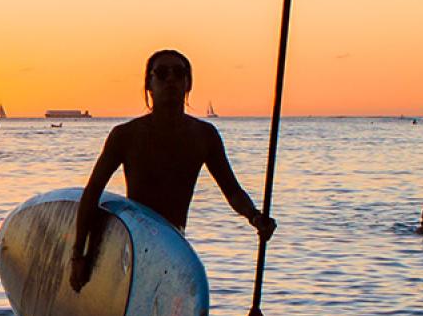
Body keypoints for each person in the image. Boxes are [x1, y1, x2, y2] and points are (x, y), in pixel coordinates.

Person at [70, 50, 275, 291]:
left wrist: (254, 216)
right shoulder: (125, 136)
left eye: (179, 73)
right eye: (162, 73)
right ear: (149, 83)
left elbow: (232, 191)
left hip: (175, 246)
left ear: (188, 83)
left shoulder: (204, 136)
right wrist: (79, 255)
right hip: (134, 246)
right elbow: (92, 193)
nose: (171, 79)